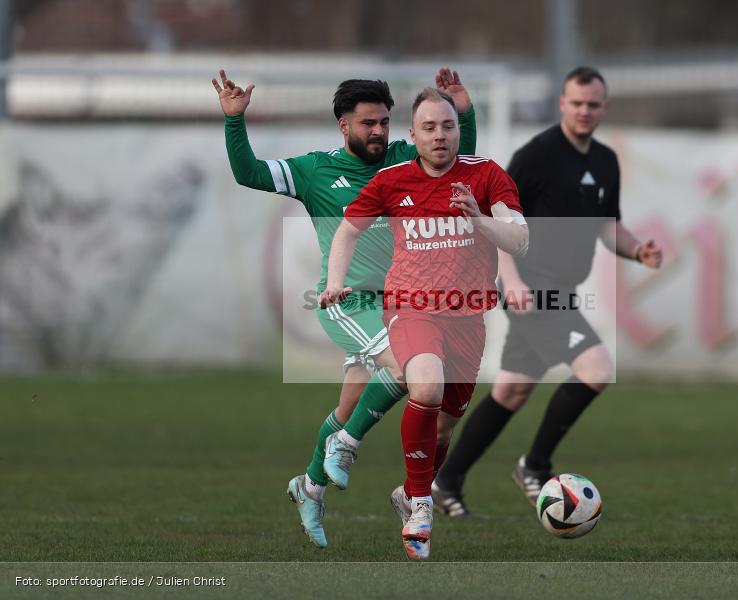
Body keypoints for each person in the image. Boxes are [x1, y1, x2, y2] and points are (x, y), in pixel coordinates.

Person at [212, 68, 477, 548]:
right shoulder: (315, 169)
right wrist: (235, 120)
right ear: (343, 125)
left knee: (353, 404)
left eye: (383, 122)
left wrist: (464, 112)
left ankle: (309, 486)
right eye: (367, 123)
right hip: (345, 301)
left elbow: (459, 161)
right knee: (406, 367)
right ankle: (345, 446)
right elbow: (248, 173)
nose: (378, 132)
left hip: (402, 300)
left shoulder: (404, 159)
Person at [432, 66, 663, 517]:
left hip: (562, 290)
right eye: (576, 103)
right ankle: (534, 466)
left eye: (592, 104)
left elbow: (607, 226)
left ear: (604, 107)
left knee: (512, 391)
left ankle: (446, 480)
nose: (584, 111)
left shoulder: (604, 161)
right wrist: (511, 281)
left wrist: (638, 251)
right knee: (597, 368)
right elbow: (499, 220)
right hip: (531, 287)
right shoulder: (536, 156)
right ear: (562, 103)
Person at [319, 88, 528, 560]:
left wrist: (479, 220)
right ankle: (420, 507)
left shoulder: (487, 175)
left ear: (458, 131)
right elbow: (348, 230)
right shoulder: (392, 180)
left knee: (445, 425)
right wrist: (334, 281)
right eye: (429, 128)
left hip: (468, 318)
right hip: (410, 307)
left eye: (448, 126)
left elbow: (519, 239)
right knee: (427, 387)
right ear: (412, 135)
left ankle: (407, 490)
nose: (440, 136)